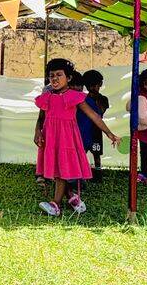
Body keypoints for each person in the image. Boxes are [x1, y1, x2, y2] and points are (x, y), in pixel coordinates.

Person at [34, 58, 119, 217]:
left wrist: (109, 133)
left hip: (67, 139)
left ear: (69, 78)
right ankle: (72, 197)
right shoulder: (47, 96)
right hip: (51, 139)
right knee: (56, 169)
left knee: (61, 171)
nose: (54, 78)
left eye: (59, 75)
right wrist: (38, 132)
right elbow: (41, 117)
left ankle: (56, 205)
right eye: (51, 75)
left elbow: (94, 116)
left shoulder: (75, 96)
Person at [77, 69, 110, 182]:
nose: (93, 88)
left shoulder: (103, 99)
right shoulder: (82, 98)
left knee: (96, 152)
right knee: (82, 152)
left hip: (96, 130)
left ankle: (98, 173)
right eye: (90, 86)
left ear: (100, 84)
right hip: (84, 130)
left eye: (95, 85)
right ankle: (81, 174)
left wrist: (94, 101)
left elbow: (100, 113)